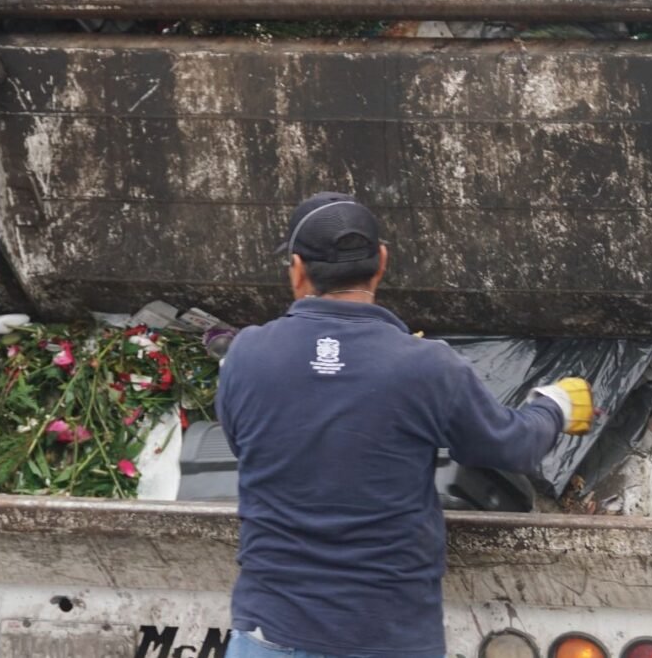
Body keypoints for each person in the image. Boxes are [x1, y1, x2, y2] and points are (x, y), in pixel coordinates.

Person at [217, 192, 594, 658]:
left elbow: (246, 446)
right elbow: (513, 447)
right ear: (381, 261)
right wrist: (553, 407)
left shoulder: (247, 355)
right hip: (387, 640)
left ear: (297, 268)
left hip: (267, 635)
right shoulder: (424, 367)